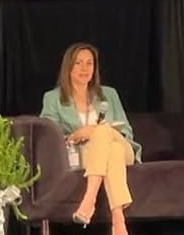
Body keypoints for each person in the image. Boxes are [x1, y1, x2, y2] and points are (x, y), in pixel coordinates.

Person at [40, 43, 140, 235]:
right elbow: (48, 136)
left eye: (89, 63)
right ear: (68, 67)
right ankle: (118, 221)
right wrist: (75, 135)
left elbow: (126, 129)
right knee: (113, 151)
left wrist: (100, 132)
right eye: (78, 63)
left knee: (104, 133)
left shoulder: (109, 94)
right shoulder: (52, 99)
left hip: (121, 144)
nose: (85, 69)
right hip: (84, 154)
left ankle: (89, 200)